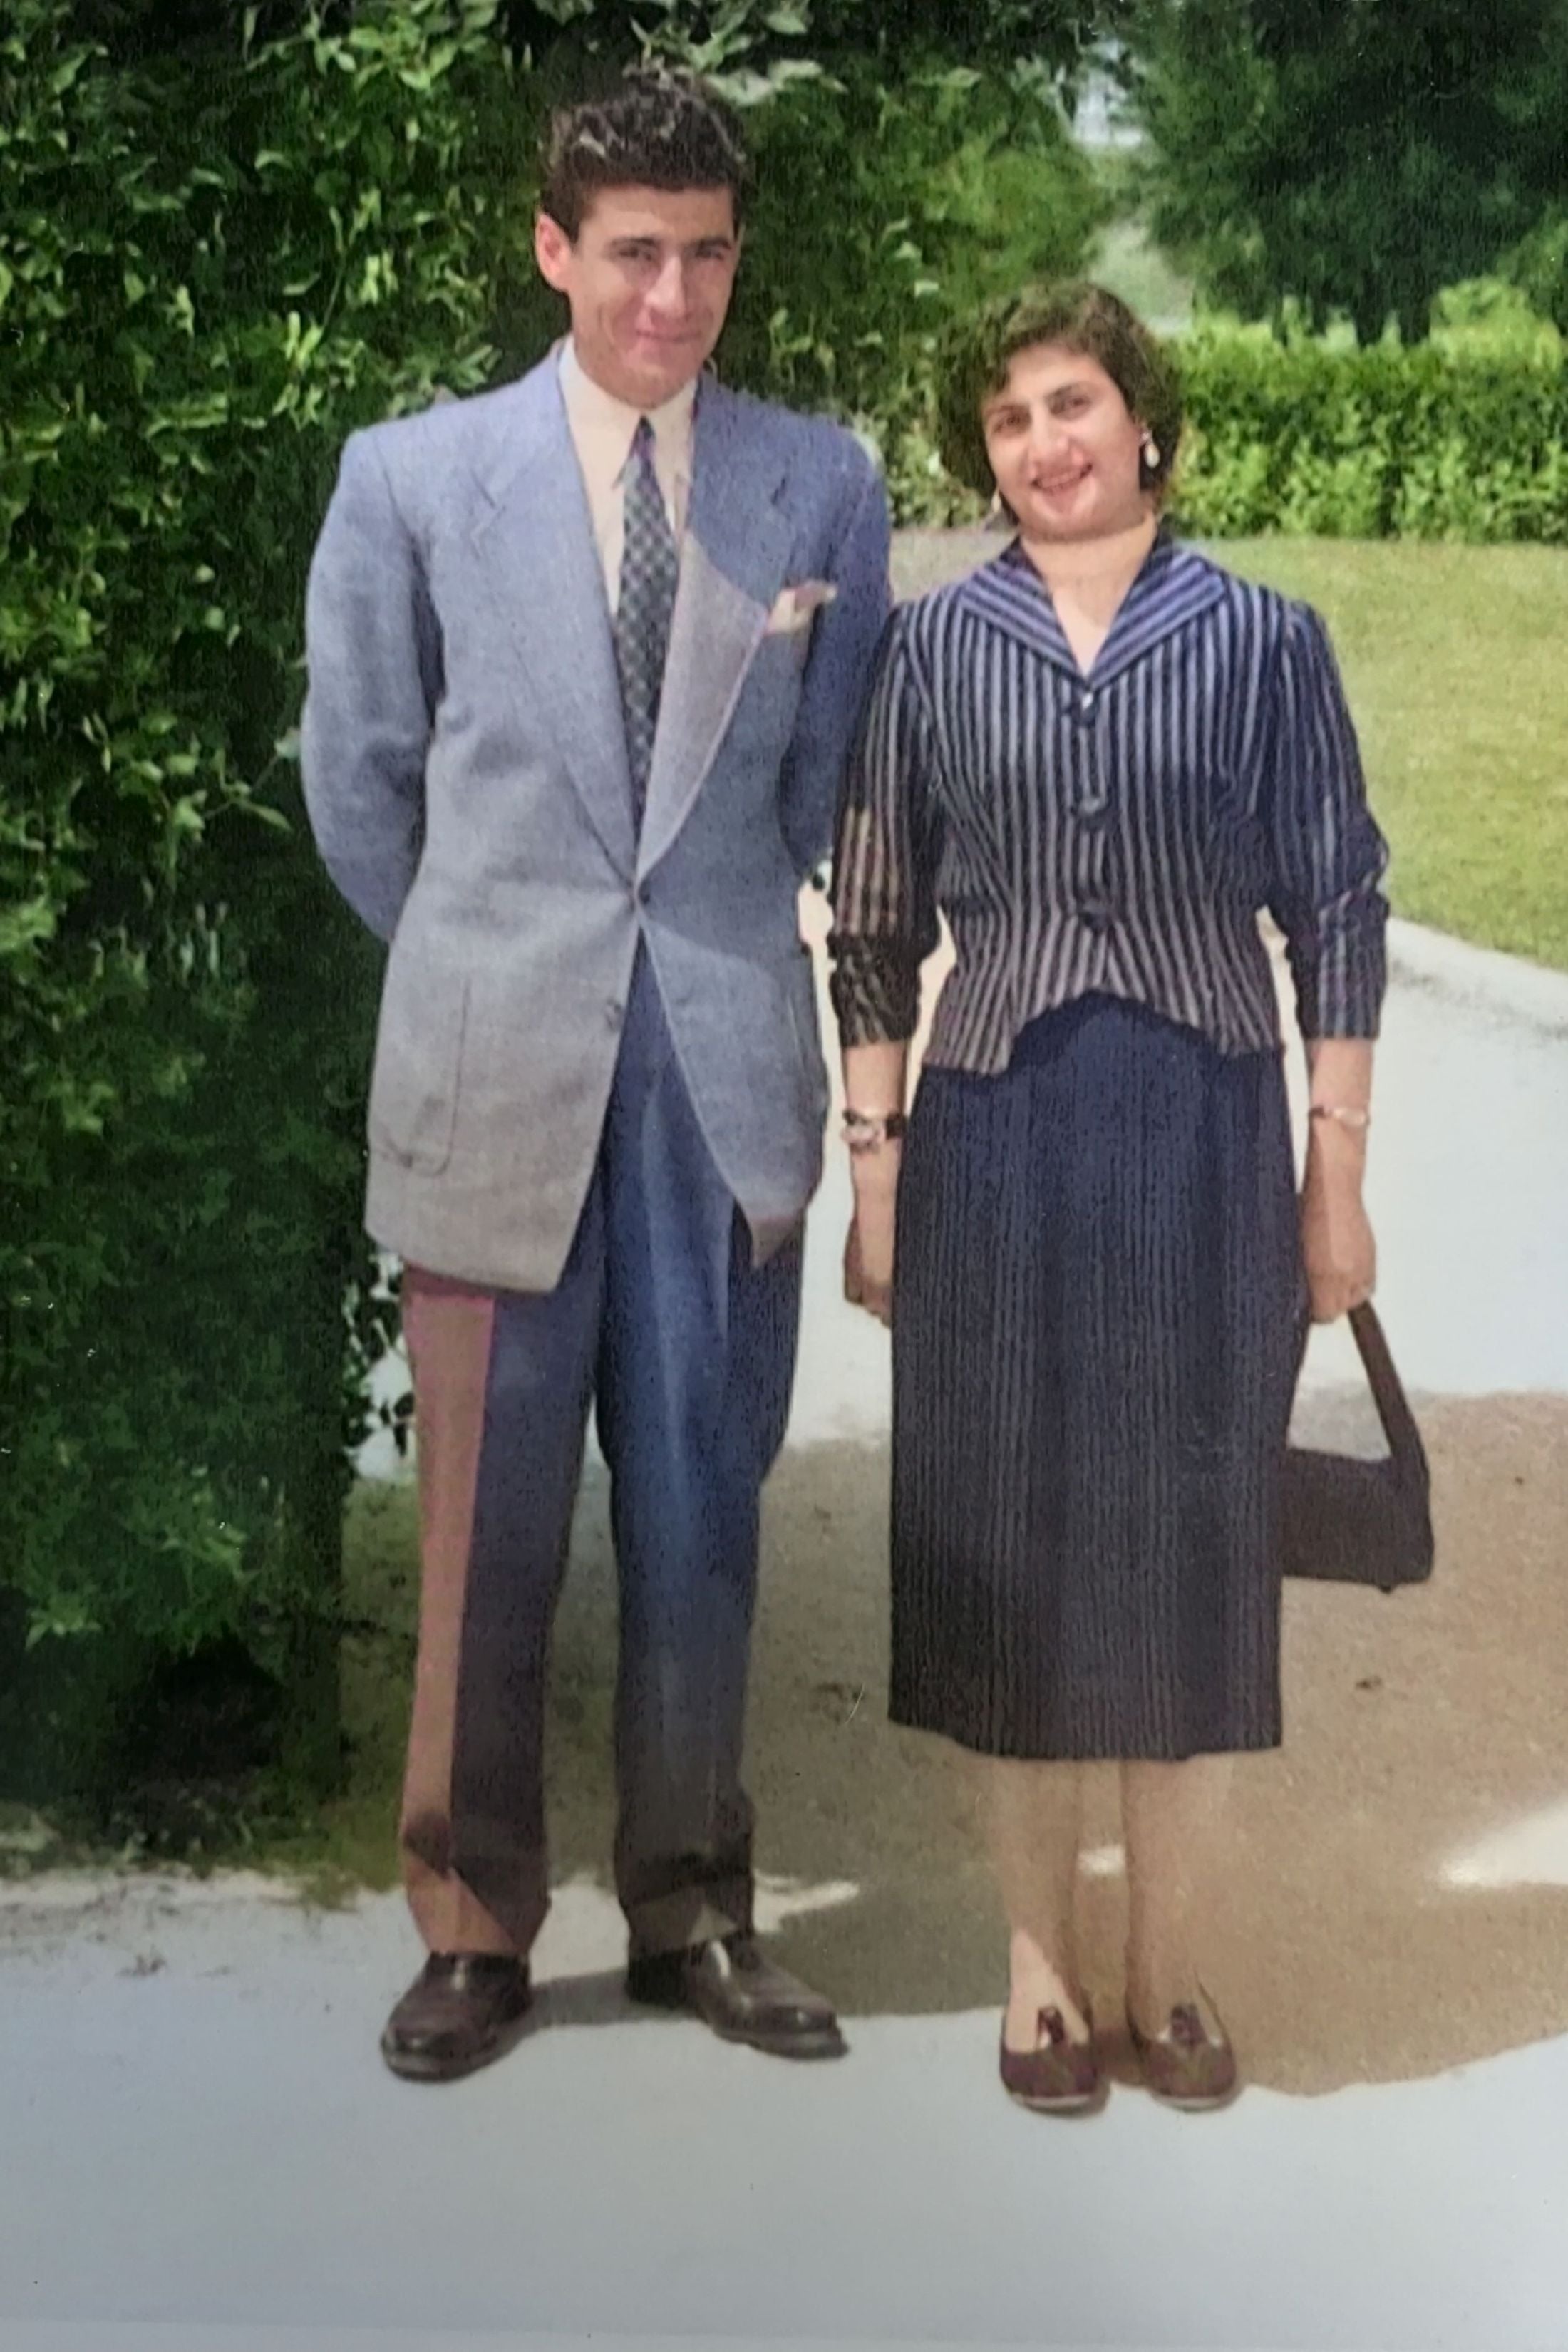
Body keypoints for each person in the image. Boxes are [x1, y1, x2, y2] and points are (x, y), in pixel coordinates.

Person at [301, 69, 890, 2083]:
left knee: (707, 1515)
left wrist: (710, 946)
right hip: (495, 1061)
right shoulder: (410, 478)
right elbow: (361, 781)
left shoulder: (820, 485)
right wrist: (490, 961)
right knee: (480, 1526)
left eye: (708, 251)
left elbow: (827, 786)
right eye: (633, 250)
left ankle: (693, 1907)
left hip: (720, 1069)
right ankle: (471, 1922)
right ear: (553, 249)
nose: (673, 292)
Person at [827, 282, 1387, 2113]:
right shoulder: (926, 649)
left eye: (1069, 403)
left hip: (1200, 1136)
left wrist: (1333, 1189)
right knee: (1005, 1562)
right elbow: (874, 926)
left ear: (1141, 420)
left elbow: (1340, 915)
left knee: (1188, 1563)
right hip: (990, 1136)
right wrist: (878, 1174)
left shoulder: (1257, 640)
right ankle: (1037, 1963)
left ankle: (1169, 1965)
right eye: (1003, 421)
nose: (1041, 445)